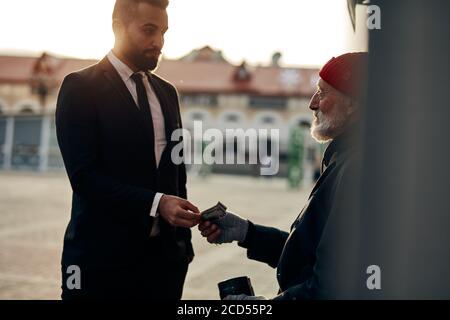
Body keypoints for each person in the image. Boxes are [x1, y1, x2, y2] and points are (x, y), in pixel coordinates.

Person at [56, 0, 201, 300]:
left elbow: (176, 172)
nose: (159, 42)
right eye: (149, 30)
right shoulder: (80, 87)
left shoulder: (166, 92)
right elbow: (84, 178)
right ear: (117, 28)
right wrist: (157, 203)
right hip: (99, 264)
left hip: (163, 266)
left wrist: (183, 245)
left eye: (163, 32)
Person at [199, 52, 369, 300]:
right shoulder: (344, 157)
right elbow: (308, 255)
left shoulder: (356, 168)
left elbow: (331, 287)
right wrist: (248, 233)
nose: (312, 103)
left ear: (354, 104)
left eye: (322, 93)